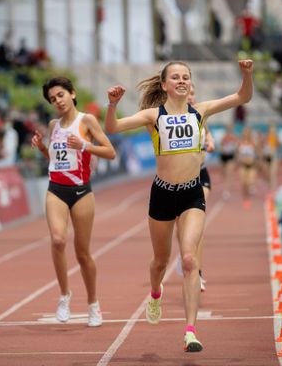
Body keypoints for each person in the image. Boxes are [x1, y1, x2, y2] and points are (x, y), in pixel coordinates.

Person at [105, 59, 254, 352]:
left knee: (188, 260)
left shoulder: (201, 111)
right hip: (162, 194)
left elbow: (242, 97)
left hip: (191, 194)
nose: (182, 81)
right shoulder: (153, 115)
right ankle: (155, 292)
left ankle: (190, 331)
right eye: (176, 77)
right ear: (164, 85)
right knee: (160, 260)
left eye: (186, 76)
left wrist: (247, 74)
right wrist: (112, 104)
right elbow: (113, 127)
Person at [30, 76, 116, 327]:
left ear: (72, 94)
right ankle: (64, 296)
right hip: (55, 189)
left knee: (82, 253)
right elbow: (55, 161)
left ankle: (93, 304)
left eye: (61, 95)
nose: (58, 101)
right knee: (57, 240)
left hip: (81, 191)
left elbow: (110, 152)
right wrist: (43, 150)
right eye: (53, 98)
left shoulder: (86, 121)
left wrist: (85, 145)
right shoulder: (53, 124)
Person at [174, 83, 216, 293]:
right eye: (187, 93)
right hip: (177, 180)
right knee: (180, 230)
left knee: (196, 226)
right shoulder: (170, 117)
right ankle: (185, 254)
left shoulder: (200, 115)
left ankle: (197, 272)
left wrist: (210, 141)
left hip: (200, 177)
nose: (190, 96)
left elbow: (209, 135)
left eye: (193, 93)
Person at [236, 127, 259, 209]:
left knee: (249, 182)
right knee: (243, 183)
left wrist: (256, 161)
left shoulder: (253, 142)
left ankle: (248, 197)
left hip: (251, 166)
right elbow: (237, 154)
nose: (245, 134)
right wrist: (239, 159)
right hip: (243, 166)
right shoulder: (240, 142)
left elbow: (257, 153)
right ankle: (245, 199)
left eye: (247, 133)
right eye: (244, 133)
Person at [219, 124, 238, 199]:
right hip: (224, 156)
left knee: (229, 173)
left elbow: (237, 148)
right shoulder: (224, 137)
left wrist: (236, 157)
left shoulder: (234, 137)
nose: (229, 130)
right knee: (224, 173)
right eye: (228, 129)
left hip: (231, 156)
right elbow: (220, 147)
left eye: (230, 129)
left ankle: (226, 190)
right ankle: (226, 187)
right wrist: (223, 149)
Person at [260, 123, 280, 193]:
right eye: (271, 129)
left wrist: (275, 149)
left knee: (272, 174)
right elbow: (262, 146)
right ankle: (270, 186)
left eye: (273, 129)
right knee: (266, 173)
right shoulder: (266, 137)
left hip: (273, 157)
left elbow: (279, 145)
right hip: (266, 157)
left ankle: (273, 190)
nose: (272, 130)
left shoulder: (275, 137)